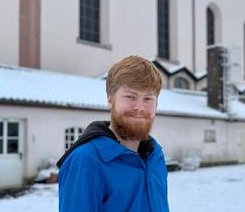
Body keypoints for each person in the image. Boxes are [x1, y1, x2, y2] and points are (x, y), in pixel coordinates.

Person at [57, 55, 169, 212]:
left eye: (148, 98)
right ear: (110, 99)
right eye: (130, 96)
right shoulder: (86, 161)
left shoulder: (155, 155)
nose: (140, 107)